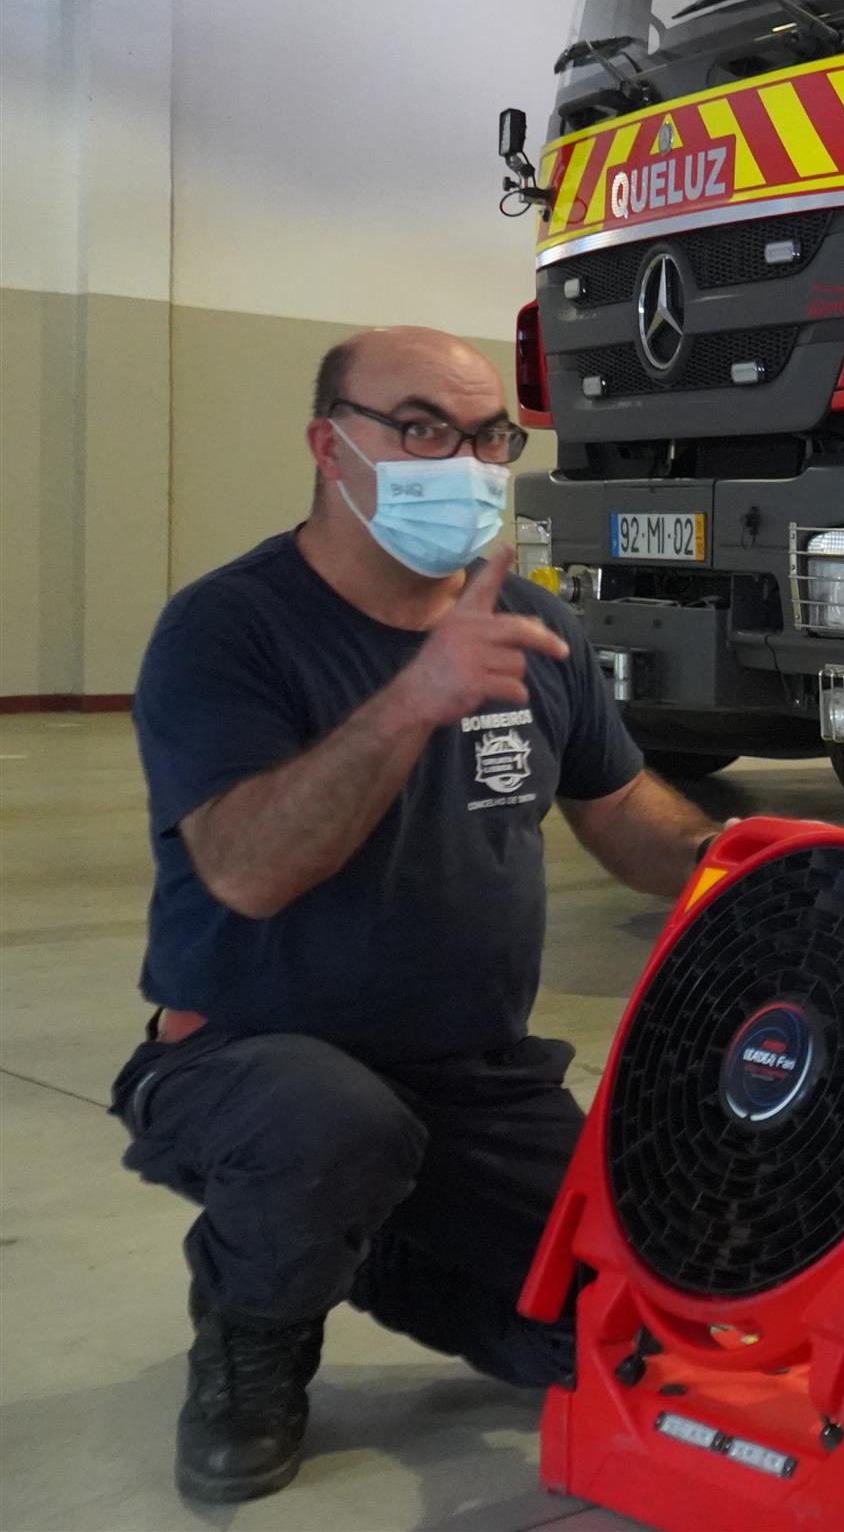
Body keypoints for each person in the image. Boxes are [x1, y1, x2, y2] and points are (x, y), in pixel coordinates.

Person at [115, 327, 722, 1504]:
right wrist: (415, 699)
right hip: (252, 1061)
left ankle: (383, 1249)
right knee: (328, 1125)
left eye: (490, 433)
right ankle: (253, 1340)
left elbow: (624, 814)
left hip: (476, 1080)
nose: (471, 461)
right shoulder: (227, 629)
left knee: (643, 1335)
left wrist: (749, 859)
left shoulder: (535, 627)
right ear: (328, 443)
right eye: (424, 428)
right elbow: (244, 869)